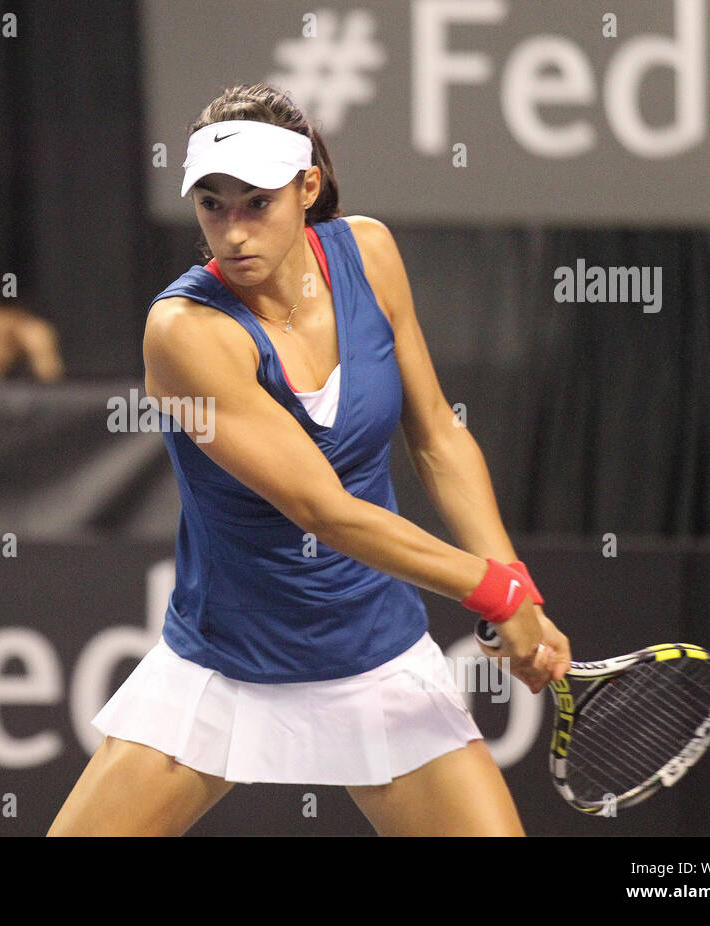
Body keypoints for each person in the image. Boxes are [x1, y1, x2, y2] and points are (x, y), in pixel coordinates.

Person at [48, 84, 571, 837]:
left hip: (377, 655)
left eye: (257, 203)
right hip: (225, 663)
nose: (233, 233)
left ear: (307, 188)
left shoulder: (371, 254)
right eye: (212, 205)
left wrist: (513, 581)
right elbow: (322, 511)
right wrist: (495, 595)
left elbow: (437, 436)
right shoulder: (186, 330)